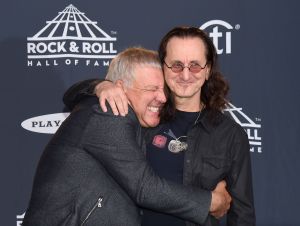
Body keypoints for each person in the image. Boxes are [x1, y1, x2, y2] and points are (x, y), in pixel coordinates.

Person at [64, 27, 256, 226]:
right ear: (163, 67)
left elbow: (243, 216)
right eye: (176, 65)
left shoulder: (231, 135)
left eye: (195, 65)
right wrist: (101, 85)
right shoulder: (144, 117)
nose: (185, 74)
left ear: (207, 70)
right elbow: (72, 98)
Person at [22, 47, 231, 226]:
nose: (162, 97)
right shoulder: (109, 114)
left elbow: (72, 95)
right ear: (120, 88)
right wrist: (211, 201)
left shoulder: (135, 121)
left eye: (164, 89)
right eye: (152, 89)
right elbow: (145, 188)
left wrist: (97, 85)